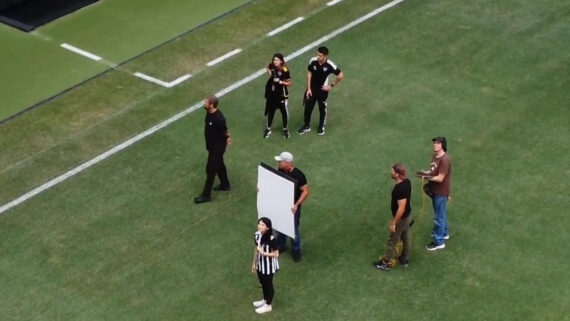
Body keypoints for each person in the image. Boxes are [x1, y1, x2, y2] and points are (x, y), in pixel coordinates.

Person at [373, 163, 413, 271]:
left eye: (392, 171)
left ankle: (385, 263)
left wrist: (394, 222)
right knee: (405, 237)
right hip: (408, 216)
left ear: (397, 174)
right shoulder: (407, 182)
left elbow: (401, 208)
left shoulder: (399, 189)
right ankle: (404, 258)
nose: (390, 172)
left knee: (392, 240)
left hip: (402, 219)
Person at [297, 46, 344, 136]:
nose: (318, 57)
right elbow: (309, 73)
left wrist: (331, 85)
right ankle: (306, 126)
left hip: (322, 90)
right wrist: (309, 88)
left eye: (320, 56)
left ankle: (321, 126)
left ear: (325, 56)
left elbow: (341, 75)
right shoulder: (313, 61)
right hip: (312, 89)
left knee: (322, 108)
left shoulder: (330, 65)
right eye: (317, 55)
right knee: (308, 107)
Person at [194, 95, 231, 204]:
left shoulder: (218, 118)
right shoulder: (209, 113)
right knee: (219, 164)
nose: (204, 103)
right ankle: (225, 184)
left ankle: (206, 195)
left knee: (210, 171)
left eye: (206, 102)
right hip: (212, 146)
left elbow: (224, 130)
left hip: (217, 148)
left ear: (211, 105)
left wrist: (227, 138)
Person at [417, 136, 452, 251]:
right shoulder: (435, 156)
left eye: (437, 143)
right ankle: (444, 233)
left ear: (442, 145)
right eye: (434, 143)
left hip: (440, 191)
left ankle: (439, 242)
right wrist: (425, 172)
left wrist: (426, 177)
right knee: (440, 213)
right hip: (434, 190)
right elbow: (433, 171)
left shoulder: (444, 160)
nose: (435, 145)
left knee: (438, 217)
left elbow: (440, 178)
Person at [274, 152, 309, 262]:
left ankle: (296, 251)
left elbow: (305, 191)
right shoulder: (281, 170)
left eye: (280, 161)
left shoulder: (299, 175)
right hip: (282, 205)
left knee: (293, 231)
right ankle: (281, 246)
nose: (278, 163)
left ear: (287, 163)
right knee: (280, 227)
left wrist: (296, 204)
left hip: (293, 208)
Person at [252, 217, 280, 314]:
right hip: (260, 264)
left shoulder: (271, 239)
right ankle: (265, 299)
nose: (260, 226)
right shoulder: (257, 235)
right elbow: (256, 249)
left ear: (267, 228)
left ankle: (268, 305)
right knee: (262, 282)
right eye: (259, 223)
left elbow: (276, 254)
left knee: (268, 284)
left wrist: (264, 253)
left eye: (262, 225)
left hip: (269, 266)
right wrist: (254, 263)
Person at [263, 53, 292, 139]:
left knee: (284, 112)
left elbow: (289, 82)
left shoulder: (285, 70)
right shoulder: (272, 65)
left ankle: (285, 129)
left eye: (277, 60)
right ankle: (268, 128)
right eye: (274, 60)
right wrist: (271, 75)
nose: (275, 62)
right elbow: (267, 68)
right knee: (271, 111)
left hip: (282, 95)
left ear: (281, 61)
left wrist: (281, 82)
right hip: (273, 94)